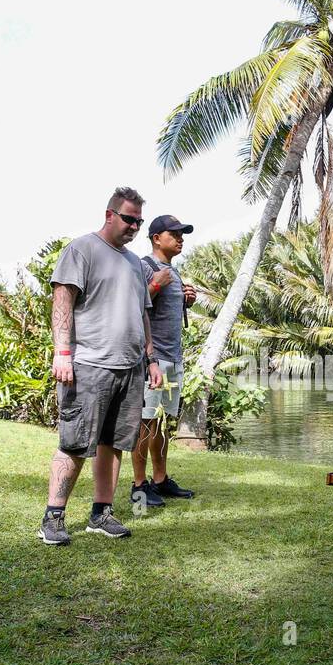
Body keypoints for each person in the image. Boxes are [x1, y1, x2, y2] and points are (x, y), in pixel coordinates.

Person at [40, 187, 163, 544]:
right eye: (129, 219)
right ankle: (53, 517)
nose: (134, 227)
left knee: (114, 443)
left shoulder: (133, 263)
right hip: (91, 363)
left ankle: (101, 513)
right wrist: (62, 352)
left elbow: (143, 313)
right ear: (110, 214)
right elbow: (63, 300)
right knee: (75, 442)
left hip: (130, 366)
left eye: (139, 221)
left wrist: (151, 359)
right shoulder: (82, 249)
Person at [130, 215, 198, 507]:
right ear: (157, 237)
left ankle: (160, 479)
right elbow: (134, 306)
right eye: (175, 234)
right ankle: (139, 486)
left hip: (173, 357)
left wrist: (186, 300)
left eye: (182, 234)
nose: (181, 238)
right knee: (144, 423)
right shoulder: (145, 267)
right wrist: (155, 286)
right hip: (152, 359)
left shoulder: (173, 270)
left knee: (162, 423)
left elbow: (164, 309)